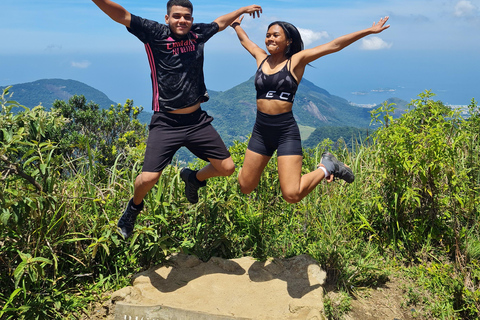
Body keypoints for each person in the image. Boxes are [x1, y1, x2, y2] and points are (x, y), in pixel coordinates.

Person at [92, 0, 262, 238]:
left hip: (196, 120)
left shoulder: (197, 34)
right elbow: (121, 14)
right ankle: (133, 207)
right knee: (148, 178)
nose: (182, 20)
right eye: (177, 16)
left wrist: (241, 10)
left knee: (227, 168)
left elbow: (220, 23)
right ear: (167, 18)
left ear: (191, 19)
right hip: (166, 122)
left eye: (187, 17)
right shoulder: (154, 33)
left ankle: (192, 178)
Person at [230, 16, 390, 203]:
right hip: (261, 131)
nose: (270, 39)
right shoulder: (261, 58)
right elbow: (245, 41)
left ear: (288, 41)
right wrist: (236, 25)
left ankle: (328, 167)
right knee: (245, 186)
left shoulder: (296, 61)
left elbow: (334, 45)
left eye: (276, 35)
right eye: (267, 36)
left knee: (292, 194)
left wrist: (368, 31)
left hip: (284, 132)